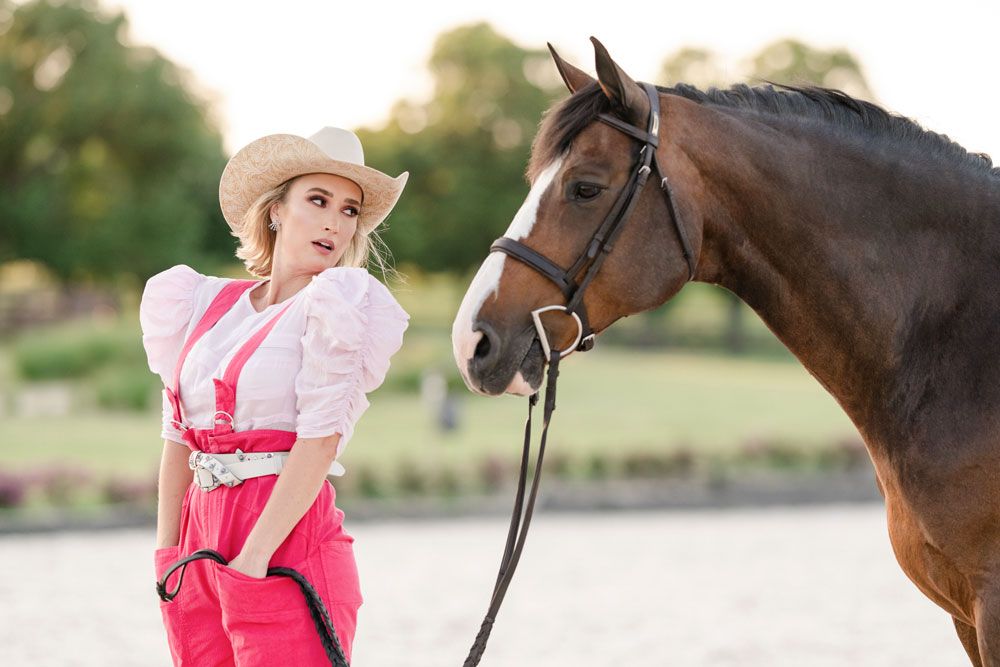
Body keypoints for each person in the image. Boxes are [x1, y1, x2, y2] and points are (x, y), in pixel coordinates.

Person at [140, 127, 409, 665]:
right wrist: (167, 551)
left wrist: (254, 558)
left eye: (350, 210)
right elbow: (176, 435)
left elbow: (319, 441)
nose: (335, 221)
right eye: (318, 200)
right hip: (196, 545)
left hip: (282, 540)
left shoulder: (335, 306)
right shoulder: (203, 302)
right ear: (276, 211)